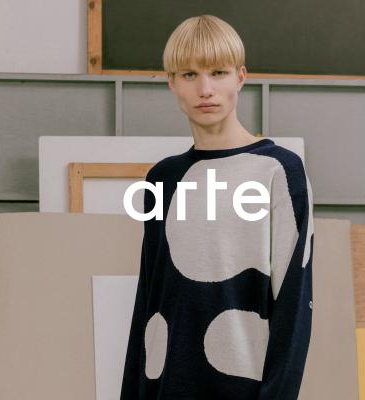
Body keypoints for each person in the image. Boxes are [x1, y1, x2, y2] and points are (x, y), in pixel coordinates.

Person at [120, 14, 314, 399]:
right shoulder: (162, 178)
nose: (205, 89)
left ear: (240, 77)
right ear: (172, 82)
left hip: (241, 388)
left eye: (218, 72)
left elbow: (294, 307)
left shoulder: (277, 170)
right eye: (190, 75)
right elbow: (149, 301)